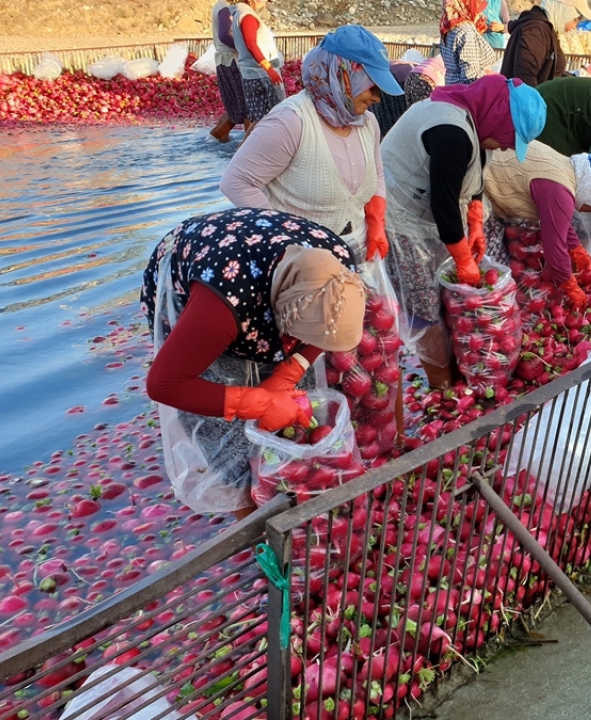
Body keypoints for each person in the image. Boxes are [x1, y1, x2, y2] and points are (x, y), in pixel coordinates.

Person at [141, 209, 366, 518]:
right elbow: (163, 384)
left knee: (289, 423)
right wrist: (253, 403)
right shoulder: (220, 306)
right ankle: (252, 523)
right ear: (280, 316)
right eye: (292, 337)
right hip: (213, 277)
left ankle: (291, 506)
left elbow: (324, 331)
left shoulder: (340, 269)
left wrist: (293, 368)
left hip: (258, 280)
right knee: (230, 436)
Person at [379, 75, 546, 389]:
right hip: (401, 216)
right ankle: (441, 382)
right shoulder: (451, 131)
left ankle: (460, 368)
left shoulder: (478, 122)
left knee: (444, 295)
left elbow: (472, 181)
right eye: (512, 137)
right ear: (500, 118)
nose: (510, 146)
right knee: (424, 303)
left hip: (428, 214)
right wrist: (464, 261)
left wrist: (475, 222)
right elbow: (444, 203)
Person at [220, 24, 403, 260]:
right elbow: (236, 182)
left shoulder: (366, 123)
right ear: (343, 75)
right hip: (301, 261)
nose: (377, 98)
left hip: (355, 250)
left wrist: (375, 221)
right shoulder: (292, 122)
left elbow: (377, 174)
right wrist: (284, 241)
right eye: (373, 87)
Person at [483, 141, 591, 309]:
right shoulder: (559, 191)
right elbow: (554, 251)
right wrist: (570, 286)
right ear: (590, 190)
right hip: (477, 184)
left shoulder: (566, 168)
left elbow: (557, 219)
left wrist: (576, 248)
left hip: (484, 164)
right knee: (489, 273)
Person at [500, 0, 591, 87]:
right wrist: (536, 102)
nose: (574, 27)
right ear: (565, 11)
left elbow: (551, 71)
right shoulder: (537, 30)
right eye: (575, 20)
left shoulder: (547, 30)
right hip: (525, 101)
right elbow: (525, 76)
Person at [231, 0, 284, 133]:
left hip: (252, 73)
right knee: (275, 117)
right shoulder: (247, 16)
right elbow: (251, 44)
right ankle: (248, 150)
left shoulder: (239, 13)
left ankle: (244, 150)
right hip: (261, 75)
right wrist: (269, 69)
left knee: (259, 120)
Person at [209, 0, 247, 142]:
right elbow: (224, 35)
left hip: (225, 61)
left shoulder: (221, 5)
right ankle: (247, 145)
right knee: (246, 108)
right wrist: (243, 47)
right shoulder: (225, 9)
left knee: (236, 106)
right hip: (231, 61)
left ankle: (218, 136)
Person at [441, 0, 498, 86]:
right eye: (476, 9)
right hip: (465, 93)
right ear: (467, 8)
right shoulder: (466, 33)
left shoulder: (447, 29)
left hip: (451, 88)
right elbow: (470, 76)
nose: (480, 14)